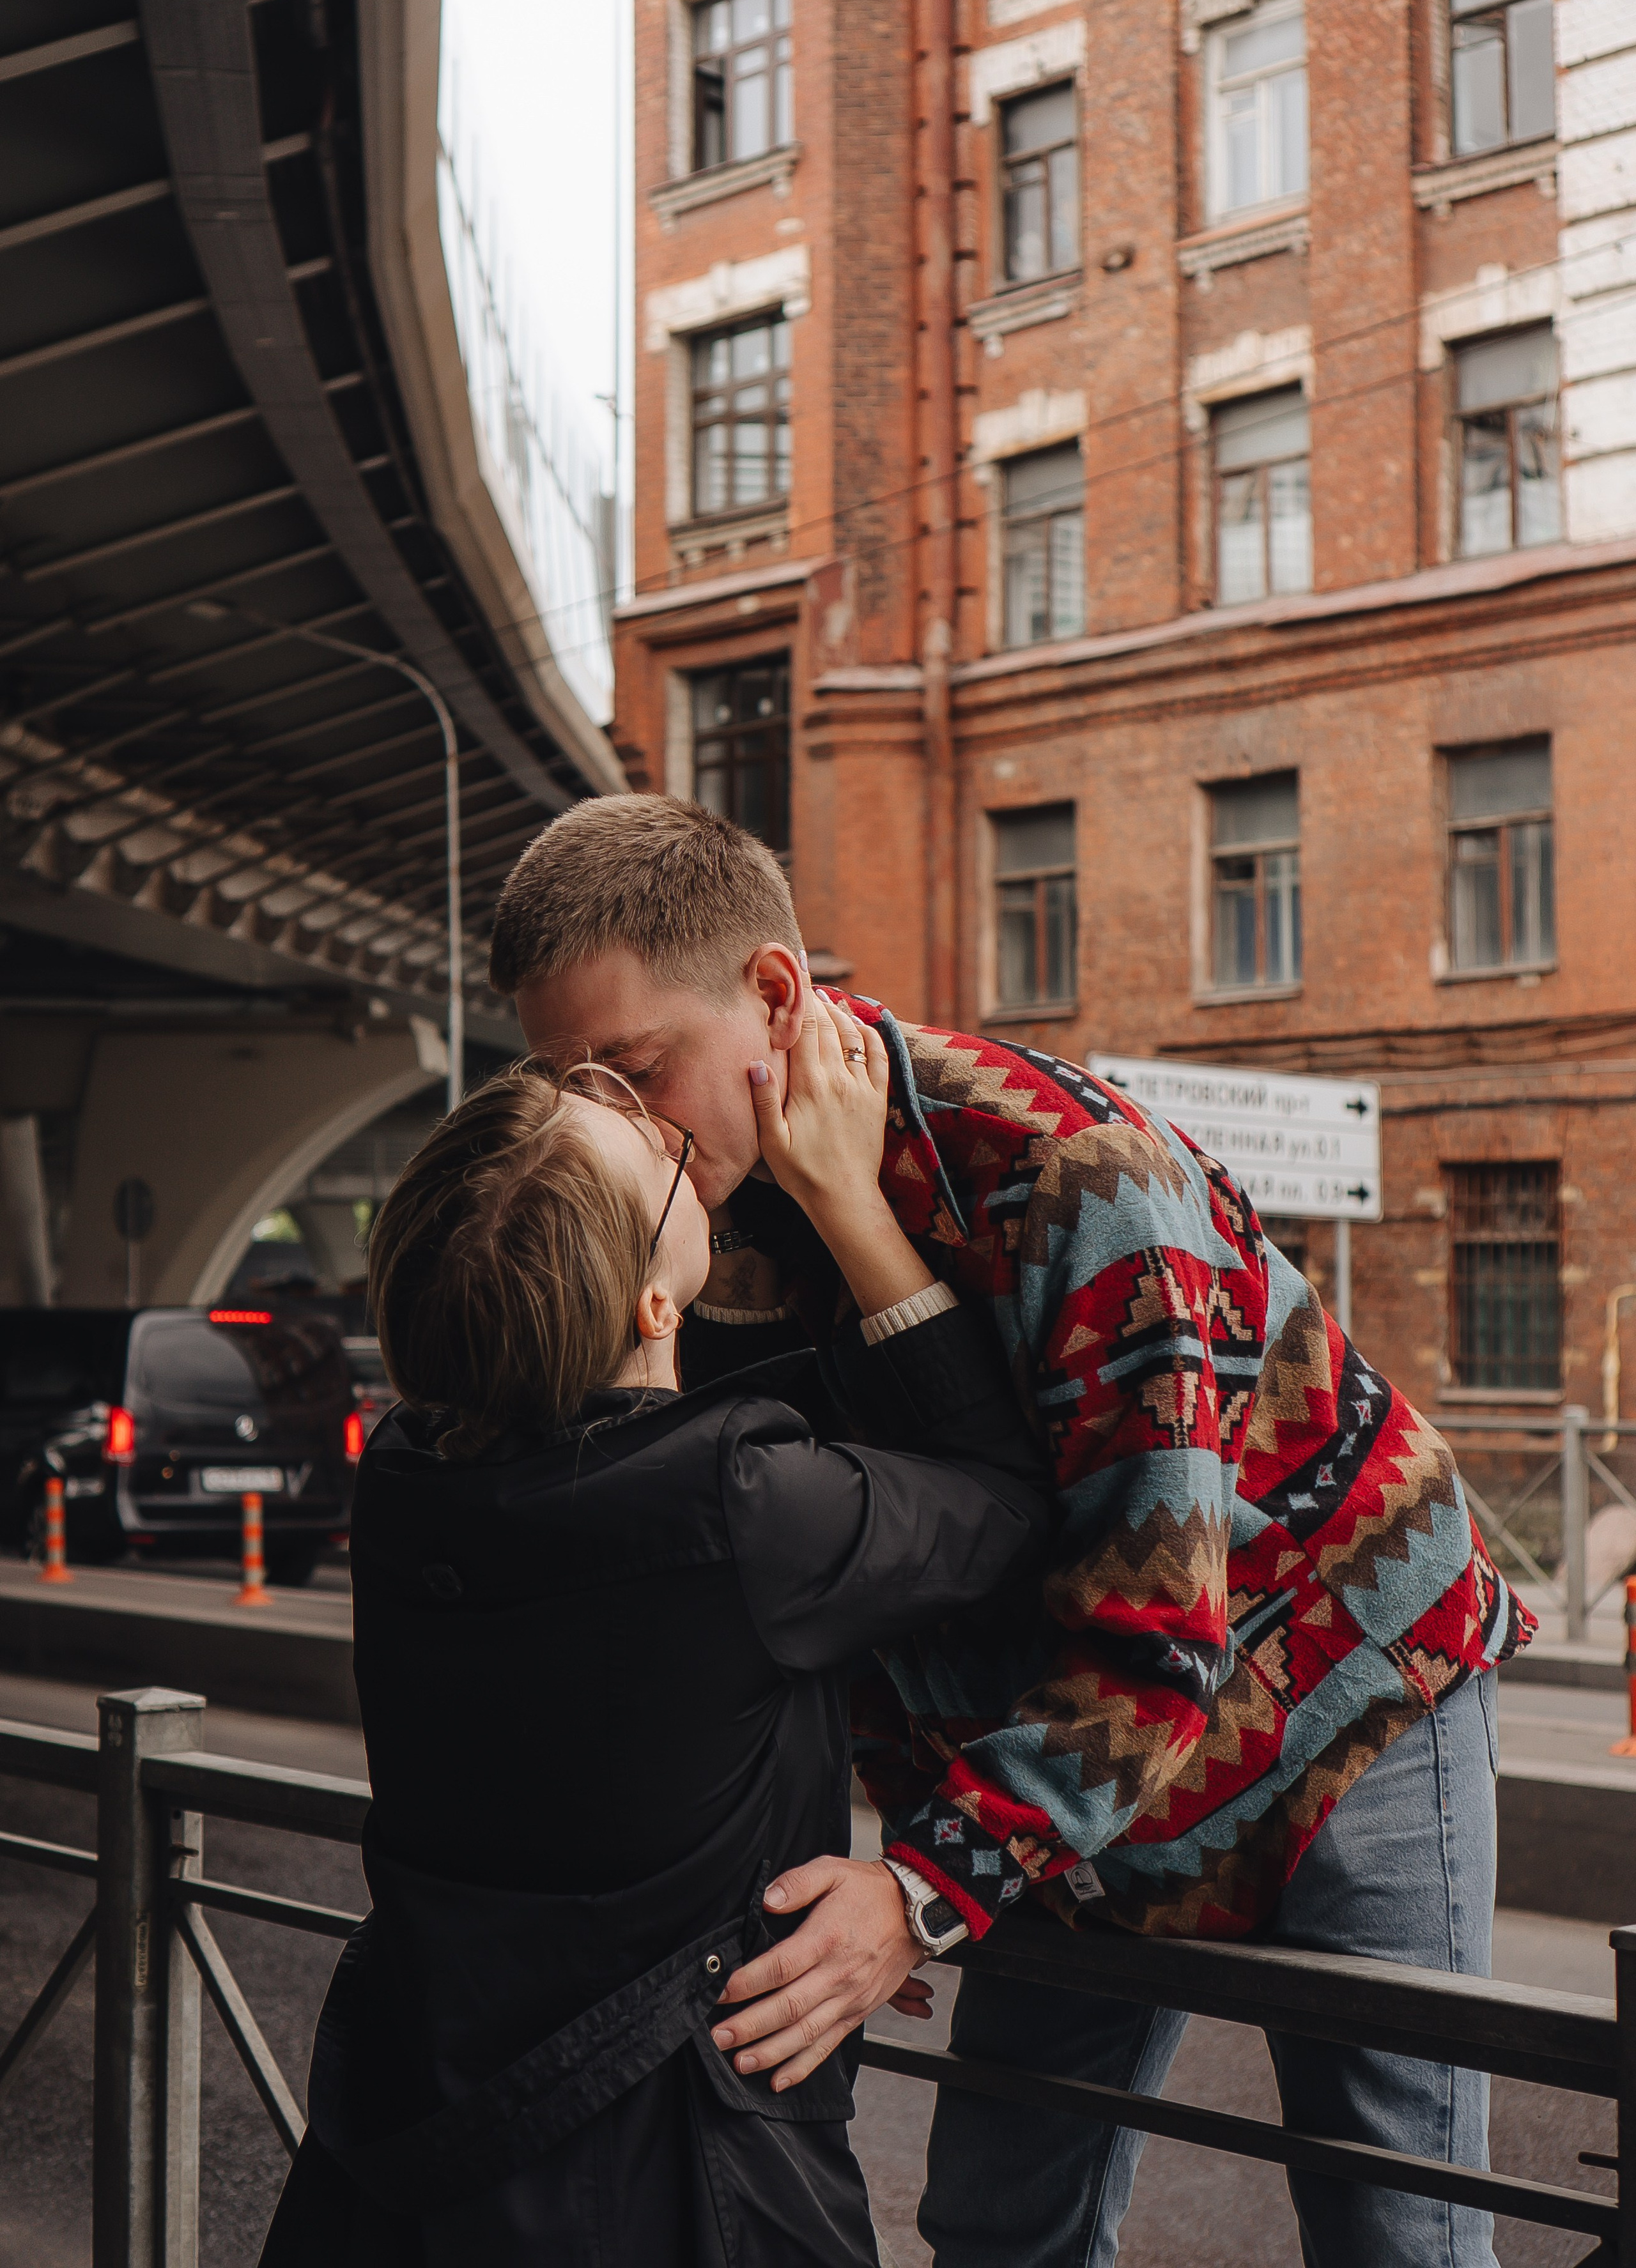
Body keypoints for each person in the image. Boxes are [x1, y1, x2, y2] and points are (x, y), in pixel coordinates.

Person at [491, 792, 1534, 2268]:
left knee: (1393, 2233)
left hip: (1337, 1705)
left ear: (774, 997)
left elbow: (1153, 1634)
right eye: (569, 1085)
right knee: (994, 2226)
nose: (608, 1128)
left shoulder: (1075, 1176)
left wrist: (919, 1894)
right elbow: (818, 1578)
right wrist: (914, 1860)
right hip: (1063, 1736)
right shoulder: (690, 1218)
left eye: (637, 1071)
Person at [258, 995, 1051, 2267]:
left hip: (423, 2157)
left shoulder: (402, 1477)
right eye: (654, 1156)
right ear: (652, 1308)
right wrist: (849, 1207)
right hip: (690, 2185)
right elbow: (1003, 1503)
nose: (668, 1129)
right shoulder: (746, 1510)